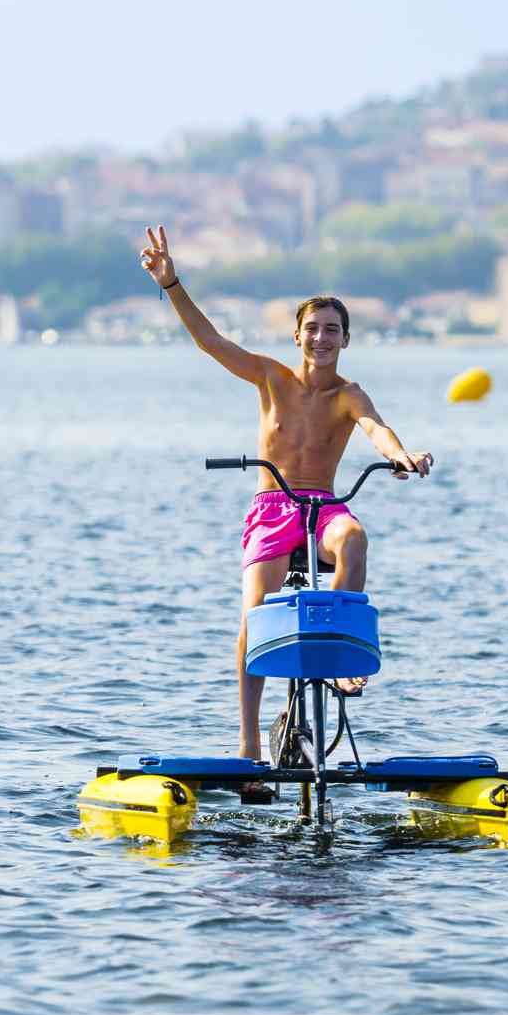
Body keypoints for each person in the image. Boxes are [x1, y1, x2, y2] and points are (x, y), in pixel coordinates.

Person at [137, 226, 433, 790]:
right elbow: (211, 342)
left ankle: (344, 657)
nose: (321, 338)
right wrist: (170, 283)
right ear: (297, 335)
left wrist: (402, 456)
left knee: (354, 539)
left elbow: (377, 428)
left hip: (321, 506)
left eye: (332, 331)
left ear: (345, 340)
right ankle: (249, 742)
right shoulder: (270, 376)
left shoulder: (348, 393)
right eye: (313, 329)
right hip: (273, 506)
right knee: (256, 615)